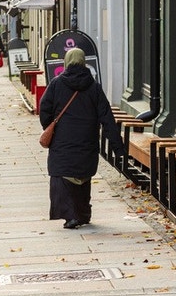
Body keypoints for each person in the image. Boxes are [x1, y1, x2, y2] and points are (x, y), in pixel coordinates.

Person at [37, 48, 120, 229]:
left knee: (62, 178)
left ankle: (70, 215)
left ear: (66, 62)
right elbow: (107, 117)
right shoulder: (94, 88)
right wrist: (118, 147)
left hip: (62, 142)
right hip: (87, 142)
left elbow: (44, 109)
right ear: (83, 62)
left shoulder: (56, 84)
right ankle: (83, 213)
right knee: (83, 178)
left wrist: (49, 126)